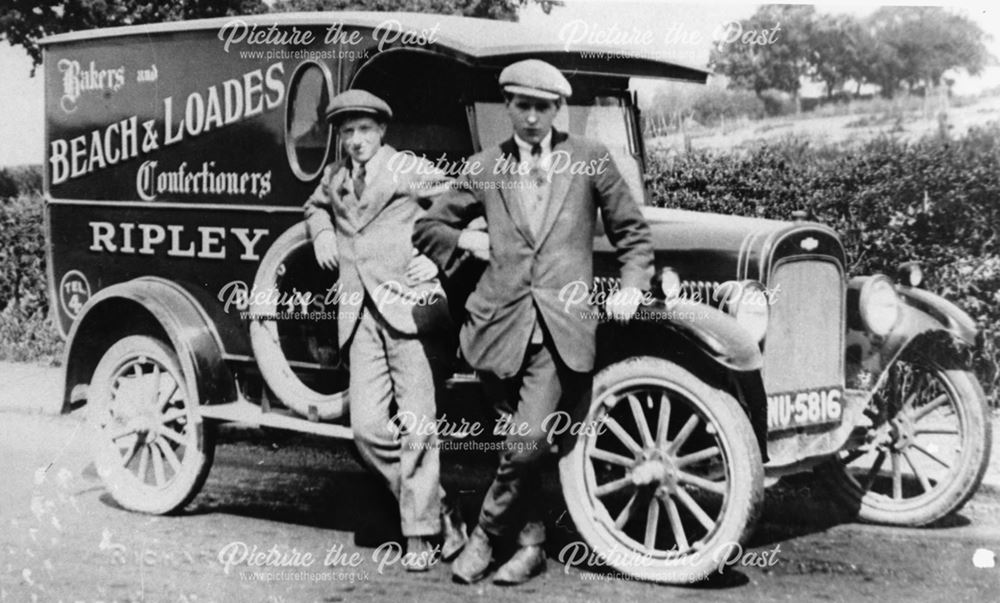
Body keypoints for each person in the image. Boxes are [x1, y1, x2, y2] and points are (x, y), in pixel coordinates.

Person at [413, 59, 654, 585]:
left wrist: (634, 286)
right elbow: (428, 224)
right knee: (514, 449)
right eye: (521, 106)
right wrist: (466, 241)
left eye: (541, 107)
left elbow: (632, 233)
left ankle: (483, 537)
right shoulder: (484, 166)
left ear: (557, 109)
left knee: (525, 444)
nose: (530, 117)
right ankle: (531, 545)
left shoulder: (591, 159)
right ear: (508, 108)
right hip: (497, 327)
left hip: (561, 330)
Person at [303, 89, 467, 571]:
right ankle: (439, 509)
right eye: (348, 132)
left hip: (407, 313)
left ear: (382, 132)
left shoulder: (408, 169)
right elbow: (313, 207)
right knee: (367, 429)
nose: (356, 141)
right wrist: (323, 232)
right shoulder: (335, 179)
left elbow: (461, 203)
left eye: (364, 131)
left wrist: (436, 259)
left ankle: (420, 532)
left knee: (417, 423)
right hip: (357, 316)